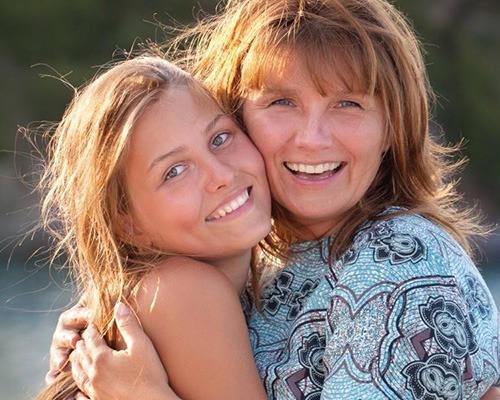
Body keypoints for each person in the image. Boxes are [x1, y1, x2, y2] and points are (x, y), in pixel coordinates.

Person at [46, 0, 500, 398]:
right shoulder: (243, 274)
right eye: (282, 102)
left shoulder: (397, 263)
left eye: (348, 104)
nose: (312, 139)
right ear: (242, 114)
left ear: (392, 127)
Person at [36, 54, 272, 400]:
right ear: (128, 226)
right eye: (174, 171)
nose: (221, 176)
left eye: (219, 139)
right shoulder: (184, 290)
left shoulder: (149, 294)